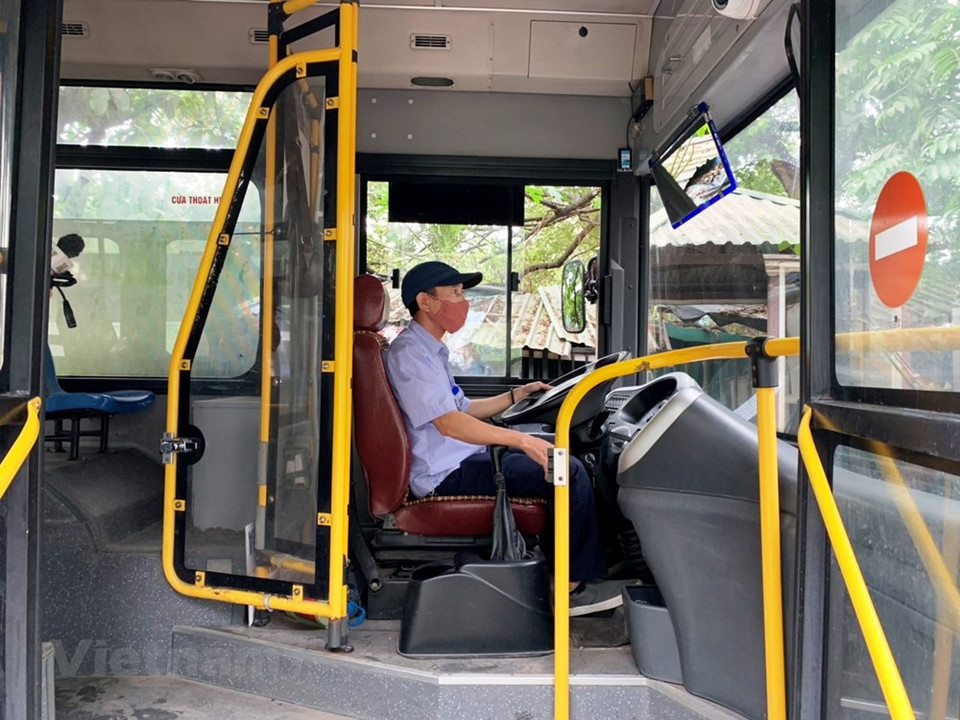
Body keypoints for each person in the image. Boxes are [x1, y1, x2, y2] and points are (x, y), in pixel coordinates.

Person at [384, 260, 624, 616]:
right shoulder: (410, 355)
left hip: (459, 458)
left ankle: (582, 563)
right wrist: (521, 442)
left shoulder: (430, 351)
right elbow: (449, 424)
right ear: (426, 301)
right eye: (454, 293)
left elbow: (463, 409)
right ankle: (569, 586)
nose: (462, 302)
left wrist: (517, 395)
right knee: (568, 470)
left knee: (557, 459)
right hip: (444, 474)